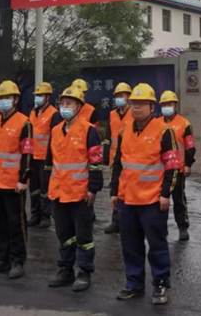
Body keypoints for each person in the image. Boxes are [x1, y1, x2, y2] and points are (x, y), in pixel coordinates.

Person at [111, 83, 179, 305]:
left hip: (152, 200)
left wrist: (166, 194)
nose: (137, 108)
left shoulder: (164, 131)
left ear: (152, 106)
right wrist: (114, 191)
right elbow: (118, 163)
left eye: (142, 104)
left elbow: (172, 166)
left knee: (157, 245)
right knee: (130, 245)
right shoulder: (125, 129)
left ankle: (160, 284)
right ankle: (134, 283)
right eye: (134, 104)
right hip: (127, 199)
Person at [46, 86, 103, 292]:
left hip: (80, 193)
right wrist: (46, 188)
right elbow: (49, 161)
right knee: (64, 234)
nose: (64, 107)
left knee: (83, 236)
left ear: (79, 106)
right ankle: (66, 269)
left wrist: (93, 189)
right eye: (62, 103)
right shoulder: (55, 130)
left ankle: (85, 271)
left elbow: (96, 163)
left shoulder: (89, 131)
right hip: (59, 192)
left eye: (69, 103)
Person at [0, 81, 34, 280]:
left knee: (16, 223)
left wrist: (23, 178)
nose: (4, 102)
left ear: (16, 99)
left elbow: (28, 153)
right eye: (1, 98)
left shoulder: (24, 123)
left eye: (7, 98)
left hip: (13, 184)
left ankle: (18, 260)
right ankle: (0, 258)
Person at [158, 90, 195, 242]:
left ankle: (182, 226)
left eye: (169, 104)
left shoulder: (184, 123)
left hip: (178, 169)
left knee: (179, 199)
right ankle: (162, 228)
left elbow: (190, 147)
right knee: (161, 199)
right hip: (161, 169)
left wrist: (187, 164)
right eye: (164, 104)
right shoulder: (156, 124)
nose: (167, 107)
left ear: (175, 105)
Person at [29, 82, 63, 228]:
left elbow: (55, 138)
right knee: (34, 188)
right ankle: (35, 214)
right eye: (36, 95)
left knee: (45, 188)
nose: (38, 98)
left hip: (45, 158)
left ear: (47, 97)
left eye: (40, 95)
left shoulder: (54, 114)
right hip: (32, 156)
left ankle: (45, 216)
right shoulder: (33, 112)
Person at [103, 82, 132, 234]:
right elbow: (108, 137)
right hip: (114, 158)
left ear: (128, 97)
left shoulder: (133, 114)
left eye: (122, 95)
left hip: (129, 158)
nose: (119, 98)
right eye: (117, 96)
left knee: (127, 189)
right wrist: (105, 158)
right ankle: (116, 221)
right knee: (115, 188)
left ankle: (126, 220)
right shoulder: (112, 114)